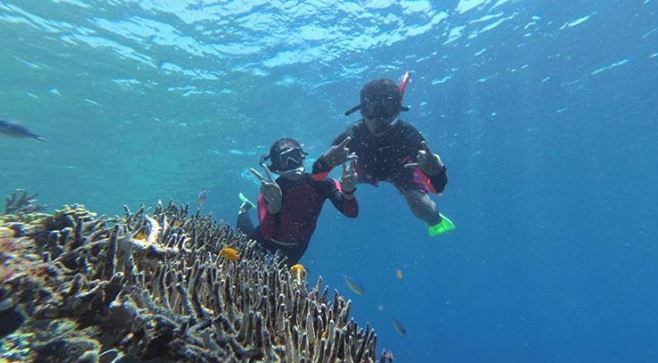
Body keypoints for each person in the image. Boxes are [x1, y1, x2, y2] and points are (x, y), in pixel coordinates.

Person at [312, 74, 455, 237]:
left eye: (387, 108)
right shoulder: (350, 136)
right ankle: (343, 189)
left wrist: (436, 171)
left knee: (424, 209)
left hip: (401, 172)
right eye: (372, 109)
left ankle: (436, 220)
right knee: (330, 184)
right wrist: (325, 162)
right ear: (362, 111)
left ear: (398, 110)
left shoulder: (409, 136)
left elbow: (439, 189)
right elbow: (316, 176)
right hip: (361, 172)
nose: (379, 118)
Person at [237, 138, 359, 265]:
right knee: (242, 241)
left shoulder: (324, 185)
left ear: (302, 156)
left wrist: (348, 192)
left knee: (277, 281)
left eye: (294, 156)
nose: (291, 163)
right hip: (263, 240)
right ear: (275, 168)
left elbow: (352, 213)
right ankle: (243, 209)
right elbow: (266, 233)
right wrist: (274, 206)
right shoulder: (270, 192)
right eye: (283, 160)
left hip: (296, 248)